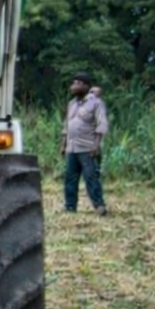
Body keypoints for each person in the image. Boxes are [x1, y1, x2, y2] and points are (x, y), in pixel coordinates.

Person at [61, 71, 109, 215]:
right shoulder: (71, 104)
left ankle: (99, 205)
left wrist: (96, 145)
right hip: (72, 147)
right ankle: (70, 206)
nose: (72, 86)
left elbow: (102, 125)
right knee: (70, 178)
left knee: (91, 177)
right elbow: (67, 125)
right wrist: (63, 143)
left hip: (87, 147)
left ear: (84, 85)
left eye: (76, 83)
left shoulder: (96, 102)